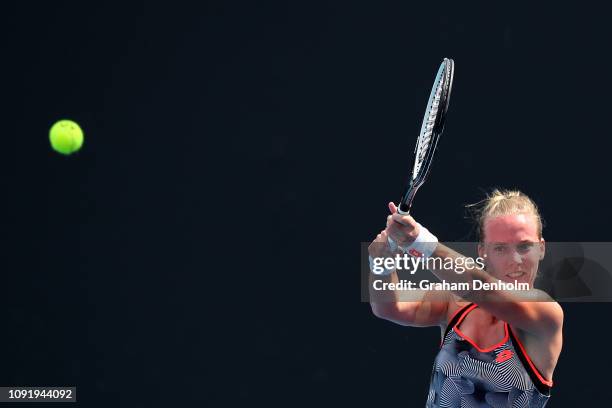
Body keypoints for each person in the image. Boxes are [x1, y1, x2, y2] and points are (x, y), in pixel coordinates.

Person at [368, 189, 563, 407]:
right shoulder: (453, 301)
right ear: (483, 252)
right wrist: (381, 263)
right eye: (500, 248)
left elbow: (484, 290)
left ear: (542, 248)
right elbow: (388, 307)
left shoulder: (546, 313)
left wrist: (419, 242)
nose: (515, 260)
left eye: (525, 246)